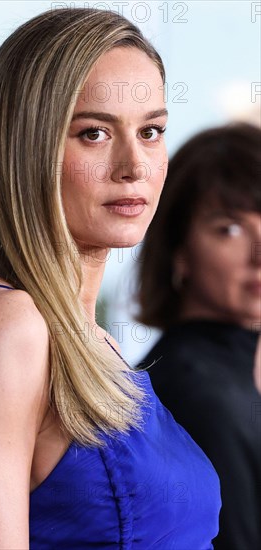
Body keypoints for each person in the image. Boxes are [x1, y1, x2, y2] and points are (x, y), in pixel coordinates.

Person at [0, 8, 221, 549]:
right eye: (94, 133)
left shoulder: (96, 344)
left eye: (151, 131)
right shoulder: (3, 326)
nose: (134, 165)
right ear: (27, 147)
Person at [136, 122, 261, 550]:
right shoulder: (197, 390)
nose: (260, 251)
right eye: (230, 228)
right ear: (179, 251)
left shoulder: (234, 369)